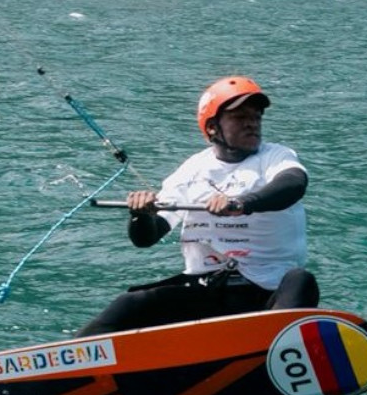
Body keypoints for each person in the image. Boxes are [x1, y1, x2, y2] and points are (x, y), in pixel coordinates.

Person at [75, 76, 320, 337]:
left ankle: (274, 347)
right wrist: (141, 215)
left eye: (257, 117)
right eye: (240, 117)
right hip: (207, 289)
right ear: (213, 128)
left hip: (267, 292)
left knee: (301, 281)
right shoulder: (191, 171)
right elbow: (146, 238)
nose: (252, 123)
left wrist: (241, 203)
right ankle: (67, 365)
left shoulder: (275, 156)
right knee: (129, 303)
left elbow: (294, 184)